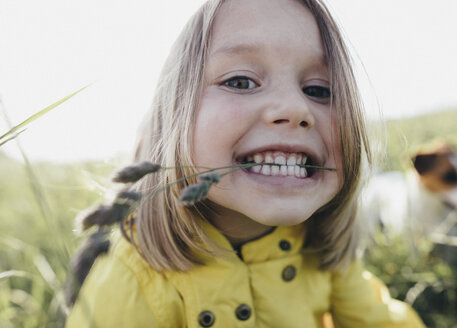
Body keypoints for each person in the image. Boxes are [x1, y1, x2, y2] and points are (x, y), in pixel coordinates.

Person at [66, 0, 426, 327]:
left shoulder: (320, 251)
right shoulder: (128, 284)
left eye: (318, 90)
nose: (294, 109)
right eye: (240, 81)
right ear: (172, 116)